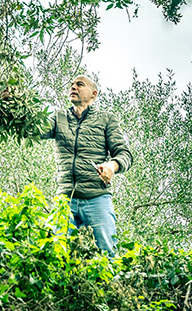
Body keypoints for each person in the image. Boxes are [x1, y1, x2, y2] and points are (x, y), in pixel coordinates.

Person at [42, 75, 132, 255]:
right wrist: (14, 109)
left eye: (79, 84)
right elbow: (34, 129)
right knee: (54, 252)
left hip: (96, 198)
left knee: (107, 252)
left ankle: (112, 283)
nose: (73, 87)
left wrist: (111, 166)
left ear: (93, 94)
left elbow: (124, 154)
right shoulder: (59, 117)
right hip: (65, 199)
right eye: (72, 85)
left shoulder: (106, 119)